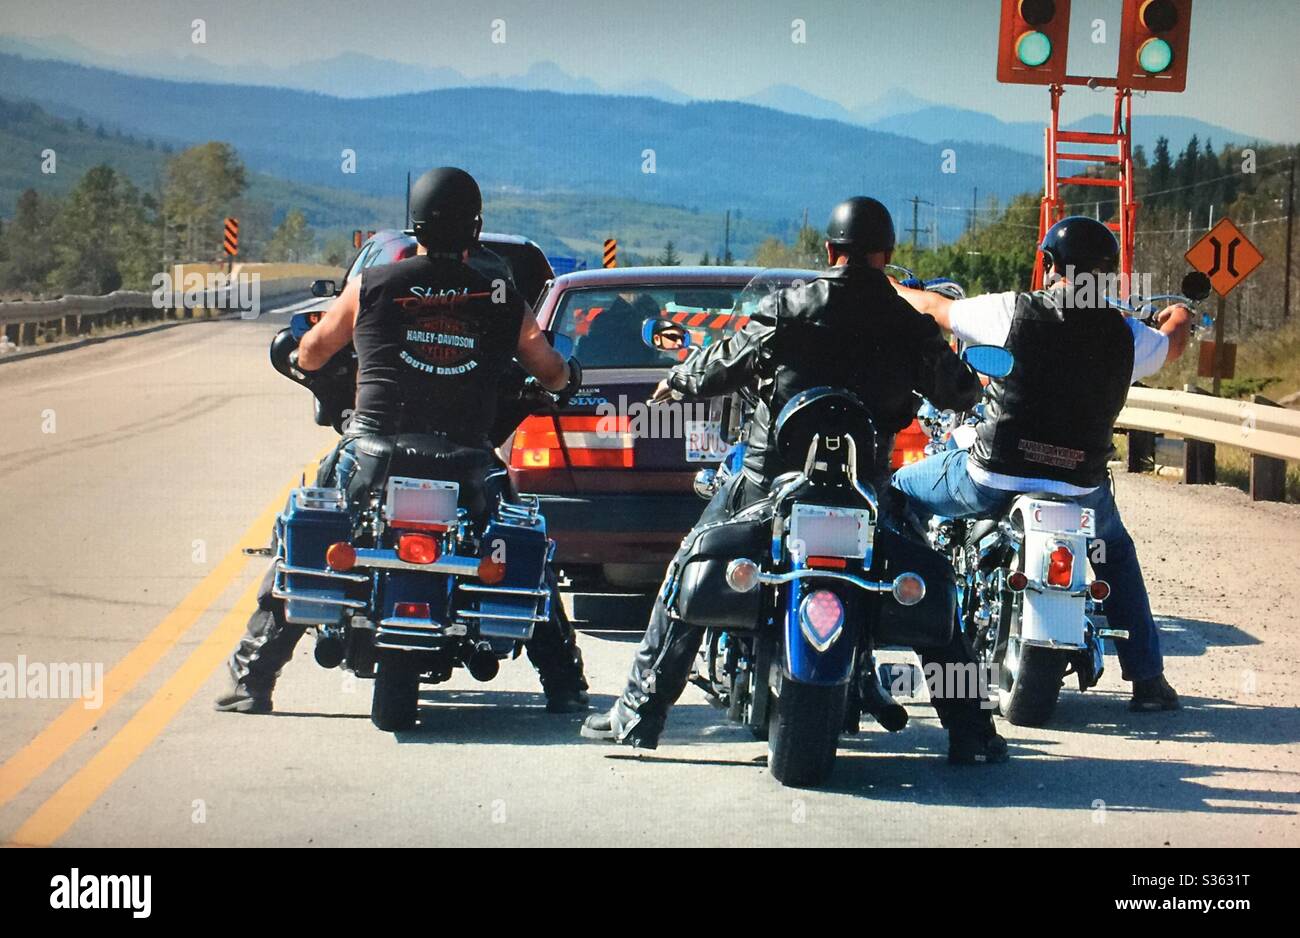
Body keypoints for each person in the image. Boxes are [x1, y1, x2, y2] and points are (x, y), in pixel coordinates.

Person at [581, 197, 1011, 764]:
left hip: (769, 482)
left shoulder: (789, 307)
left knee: (689, 563)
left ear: (830, 250)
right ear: (887, 255)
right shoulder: (909, 324)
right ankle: (973, 731)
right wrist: (976, 386)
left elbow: (723, 362)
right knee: (934, 586)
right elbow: (957, 391)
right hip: (866, 490)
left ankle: (638, 714)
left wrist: (679, 381)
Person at [215, 167, 590, 715]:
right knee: (518, 539)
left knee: (307, 531)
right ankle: (563, 682)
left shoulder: (372, 284)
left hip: (373, 450)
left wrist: (303, 359)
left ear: (415, 224)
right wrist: (563, 379)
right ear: (476, 226)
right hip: (465, 455)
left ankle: (253, 677)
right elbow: (548, 367)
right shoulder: (501, 293)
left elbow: (315, 349)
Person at [890, 215, 1192, 712]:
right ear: (1108, 274)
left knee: (901, 487)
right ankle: (1148, 681)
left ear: (1048, 265)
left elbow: (935, 308)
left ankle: (910, 609)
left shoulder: (1011, 311)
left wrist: (889, 285)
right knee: (1116, 552)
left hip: (992, 476)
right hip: (1080, 487)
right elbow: (1174, 342)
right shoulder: (1129, 337)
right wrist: (1179, 314)